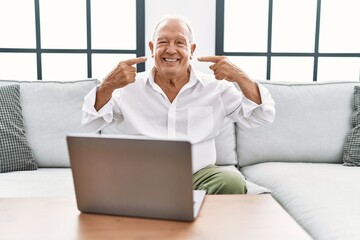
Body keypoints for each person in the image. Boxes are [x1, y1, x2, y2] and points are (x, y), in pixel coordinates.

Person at [81, 14, 275, 194]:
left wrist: (240, 77)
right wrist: (108, 85)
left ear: (191, 50)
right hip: (143, 176)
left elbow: (262, 115)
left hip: (199, 176)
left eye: (179, 42)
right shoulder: (129, 87)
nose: (171, 49)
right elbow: (90, 122)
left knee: (231, 182)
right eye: (163, 42)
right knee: (106, 182)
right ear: (152, 48)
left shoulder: (216, 87)